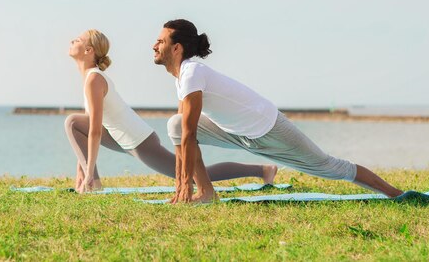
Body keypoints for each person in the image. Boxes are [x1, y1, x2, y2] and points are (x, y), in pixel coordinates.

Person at [153, 19, 404, 204]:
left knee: (330, 166)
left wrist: (185, 183)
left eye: (161, 41)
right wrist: (179, 186)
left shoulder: (192, 73)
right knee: (174, 124)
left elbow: (190, 134)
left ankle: (396, 194)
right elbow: (183, 133)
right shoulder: (182, 77)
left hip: (269, 129)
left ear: (177, 48)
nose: (155, 45)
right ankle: (207, 194)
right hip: (236, 132)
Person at [64, 29, 277, 193]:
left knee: (196, 175)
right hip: (117, 137)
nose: (72, 41)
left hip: (140, 142)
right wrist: (81, 174)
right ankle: (92, 184)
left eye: (78, 40)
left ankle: (262, 170)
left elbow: (94, 132)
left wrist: (89, 171)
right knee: (74, 123)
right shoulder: (89, 79)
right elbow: (88, 130)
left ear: (88, 51)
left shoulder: (94, 79)